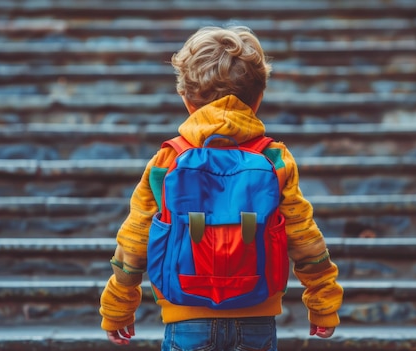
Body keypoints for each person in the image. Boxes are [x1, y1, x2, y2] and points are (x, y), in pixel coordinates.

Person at [99, 25, 343, 350]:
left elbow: (135, 239)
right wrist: (323, 302)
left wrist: (118, 305)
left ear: (186, 100)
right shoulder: (275, 159)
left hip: (186, 317)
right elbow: (304, 236)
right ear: (257, 100)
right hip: (256, 315)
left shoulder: (167, 159)